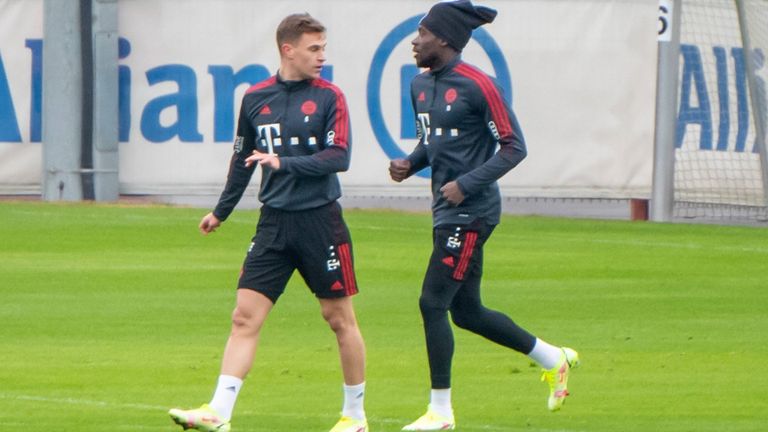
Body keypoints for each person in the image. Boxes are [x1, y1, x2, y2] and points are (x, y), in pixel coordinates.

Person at [169, 13, 368, 432]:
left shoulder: (330, 97)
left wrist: (284, 162)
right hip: (273, 224)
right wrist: (221, 211)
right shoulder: (256, 98)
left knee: (339, 319)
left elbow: (339, 157)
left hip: (320, 222)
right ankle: (219, 412)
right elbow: (242, 158)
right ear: (287, 49)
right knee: (244, 317)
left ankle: (355, 417)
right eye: (314, 49)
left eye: (323, 48)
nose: (322, 56)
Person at [389, 1, 580, 430]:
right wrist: (410, 163)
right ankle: (554, 358)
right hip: (446, 211)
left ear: (445, 39)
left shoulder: (480, 85)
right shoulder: (419, 85)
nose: (415, 41)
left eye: (422, 33)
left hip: (472, 212)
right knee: (467, 312)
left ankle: (440, 412)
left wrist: (467, 184)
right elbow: (432, 143)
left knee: (432, 303)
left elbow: (514, 147)